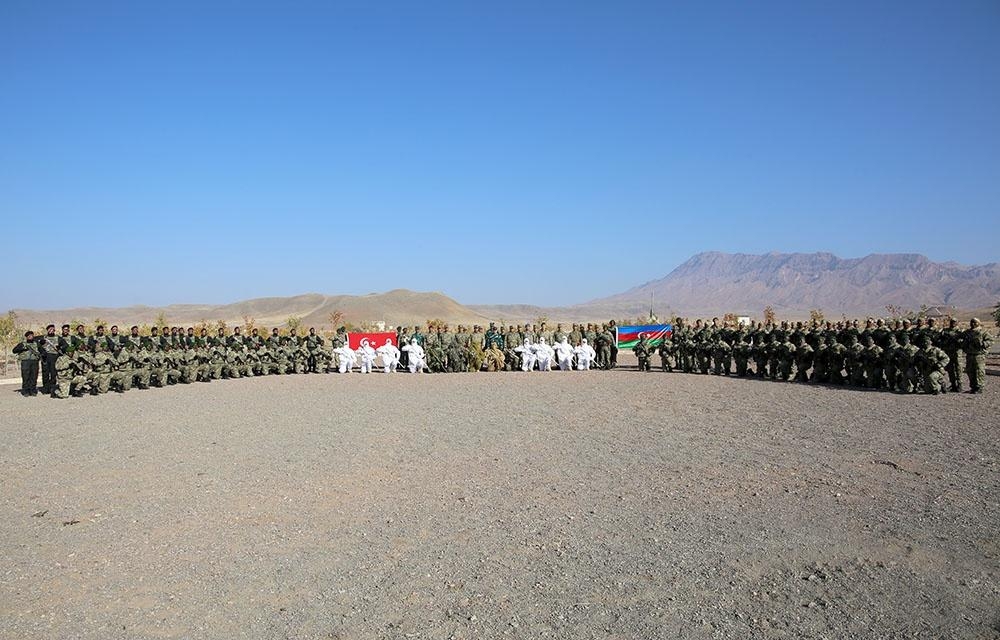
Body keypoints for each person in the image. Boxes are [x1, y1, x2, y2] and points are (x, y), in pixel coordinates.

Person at [963, 318, 993, 394]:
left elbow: (990, 341)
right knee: (970, 371)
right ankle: (973, 387)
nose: (972, 324)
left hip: (979, 355)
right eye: (971, 322)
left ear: (978, 323)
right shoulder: (967, 332)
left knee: (979, 371)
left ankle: (980, 387)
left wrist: (982, 344)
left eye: (974, 322)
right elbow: (960, 337)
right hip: (969, 354)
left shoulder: (983, 332)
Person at [12, 330, 40, 396]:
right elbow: (14, 350)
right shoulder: (22, 344)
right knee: (25, 376)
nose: (30, 337)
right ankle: (25, 391)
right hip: (25, 362)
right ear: (26, 337)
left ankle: (33, 390)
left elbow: (41, 350)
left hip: (34, 362)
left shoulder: (36, 344)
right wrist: (21, 349)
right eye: (29, 336)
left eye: (32, 335)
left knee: (34, 376)